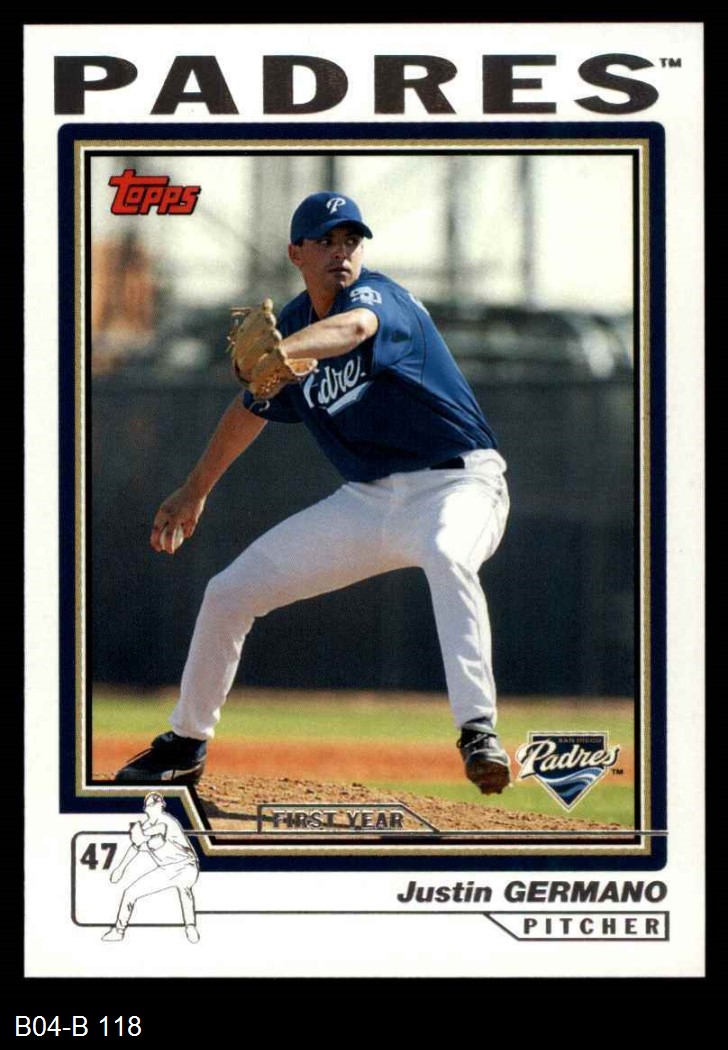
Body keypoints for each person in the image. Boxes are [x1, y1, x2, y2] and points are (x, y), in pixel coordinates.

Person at [115, 191, 511, 796]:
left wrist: (282, 354)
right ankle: (186, 743)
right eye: (325, 241)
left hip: (459, 482)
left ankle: (478, 731)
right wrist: (195, 489)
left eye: (350, 240)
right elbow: (249, 409)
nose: (340, 252)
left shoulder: (379, 298)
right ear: (295, 253)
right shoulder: (294, 324)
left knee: (446, 553)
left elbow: (354, 329)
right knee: (229, 592)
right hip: (368, 502)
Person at [101, 792, 200, 942]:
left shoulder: (166, 821)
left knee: (184, 888)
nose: (156, 808)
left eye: (158, 805)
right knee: (130, 892)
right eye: (152, 806)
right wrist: (120, 868)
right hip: (166, 868)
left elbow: (160, 829)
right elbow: (135, 847)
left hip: (187, 865)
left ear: (162, 806)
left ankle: (190, 926)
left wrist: (140, 834)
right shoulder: (146, 825)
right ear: (146, 809)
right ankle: (119, 931)